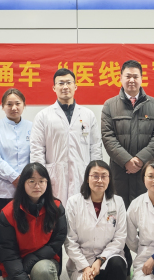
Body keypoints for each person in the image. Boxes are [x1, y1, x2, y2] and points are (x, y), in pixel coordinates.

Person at [0, 162, 67, 280]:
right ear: (23, 184)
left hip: (43, 261)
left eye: (42, 181)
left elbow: (57, 240)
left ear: (47, 183)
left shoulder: (56, 207)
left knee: (44, 270)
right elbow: (8, 255)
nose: (37, 186)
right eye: (32, 181)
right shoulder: (8, 212)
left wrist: (31, 261)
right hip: (15, 267)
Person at [65, 160, 127, 280]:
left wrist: (99, 261)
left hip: (108, 259)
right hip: (83, 261)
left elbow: (120, 238)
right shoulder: (73, 202)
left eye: (104, 176)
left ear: (109, 179)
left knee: (118, 264)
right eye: (95, 176)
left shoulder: (118, 202)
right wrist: (85, 267)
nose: (100, 180)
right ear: (87, 178)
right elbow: (70, 241)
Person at [0, 88, 32, 280]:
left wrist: (26, 180)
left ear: (24, 105)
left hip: (26, 191)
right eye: (9, 104)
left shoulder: (32, 127)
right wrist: (15, 177)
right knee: (0, 235)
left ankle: (20, 275)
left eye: (17, 103)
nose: (13, 107)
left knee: (22, 234)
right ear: (2, 107)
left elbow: (36, 155)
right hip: (0, 192)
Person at [30, 68, 102, 207]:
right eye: (61, 83)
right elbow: (37, 149)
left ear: (75, 86)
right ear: (54, 88)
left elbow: (95, 147)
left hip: (82, 174)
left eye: (69, 82)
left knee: (82, 211)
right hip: (54, 175)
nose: (65, 87)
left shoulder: (88, 115)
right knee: (55, 212)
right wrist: (40, 177)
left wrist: (95, 174)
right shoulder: (43, 116)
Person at [101, 59, 154, 208]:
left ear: (141, 79)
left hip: (146, 171)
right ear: (120, 78)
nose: (132, 80)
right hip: (119, 170)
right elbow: (108, 137)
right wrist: (127, 161)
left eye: (135, 77)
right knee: (117, 211)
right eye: (128, 76)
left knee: (145, 211)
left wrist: (140, 160)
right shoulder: (109, 105)